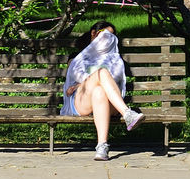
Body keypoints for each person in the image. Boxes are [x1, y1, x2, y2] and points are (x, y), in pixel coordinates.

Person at [60, 20, 144, 161]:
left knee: (99, 91)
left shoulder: (115, 59)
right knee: (102, 73)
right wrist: (81, 85)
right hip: (80, 102)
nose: (108, 39)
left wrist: (80, 84)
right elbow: (75, 75)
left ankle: (102, 147)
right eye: (105, 35)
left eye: (112, 36)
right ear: (94, 34)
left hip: (107, 102)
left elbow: (116, 78)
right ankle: (127, 113)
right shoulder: (77, 57)